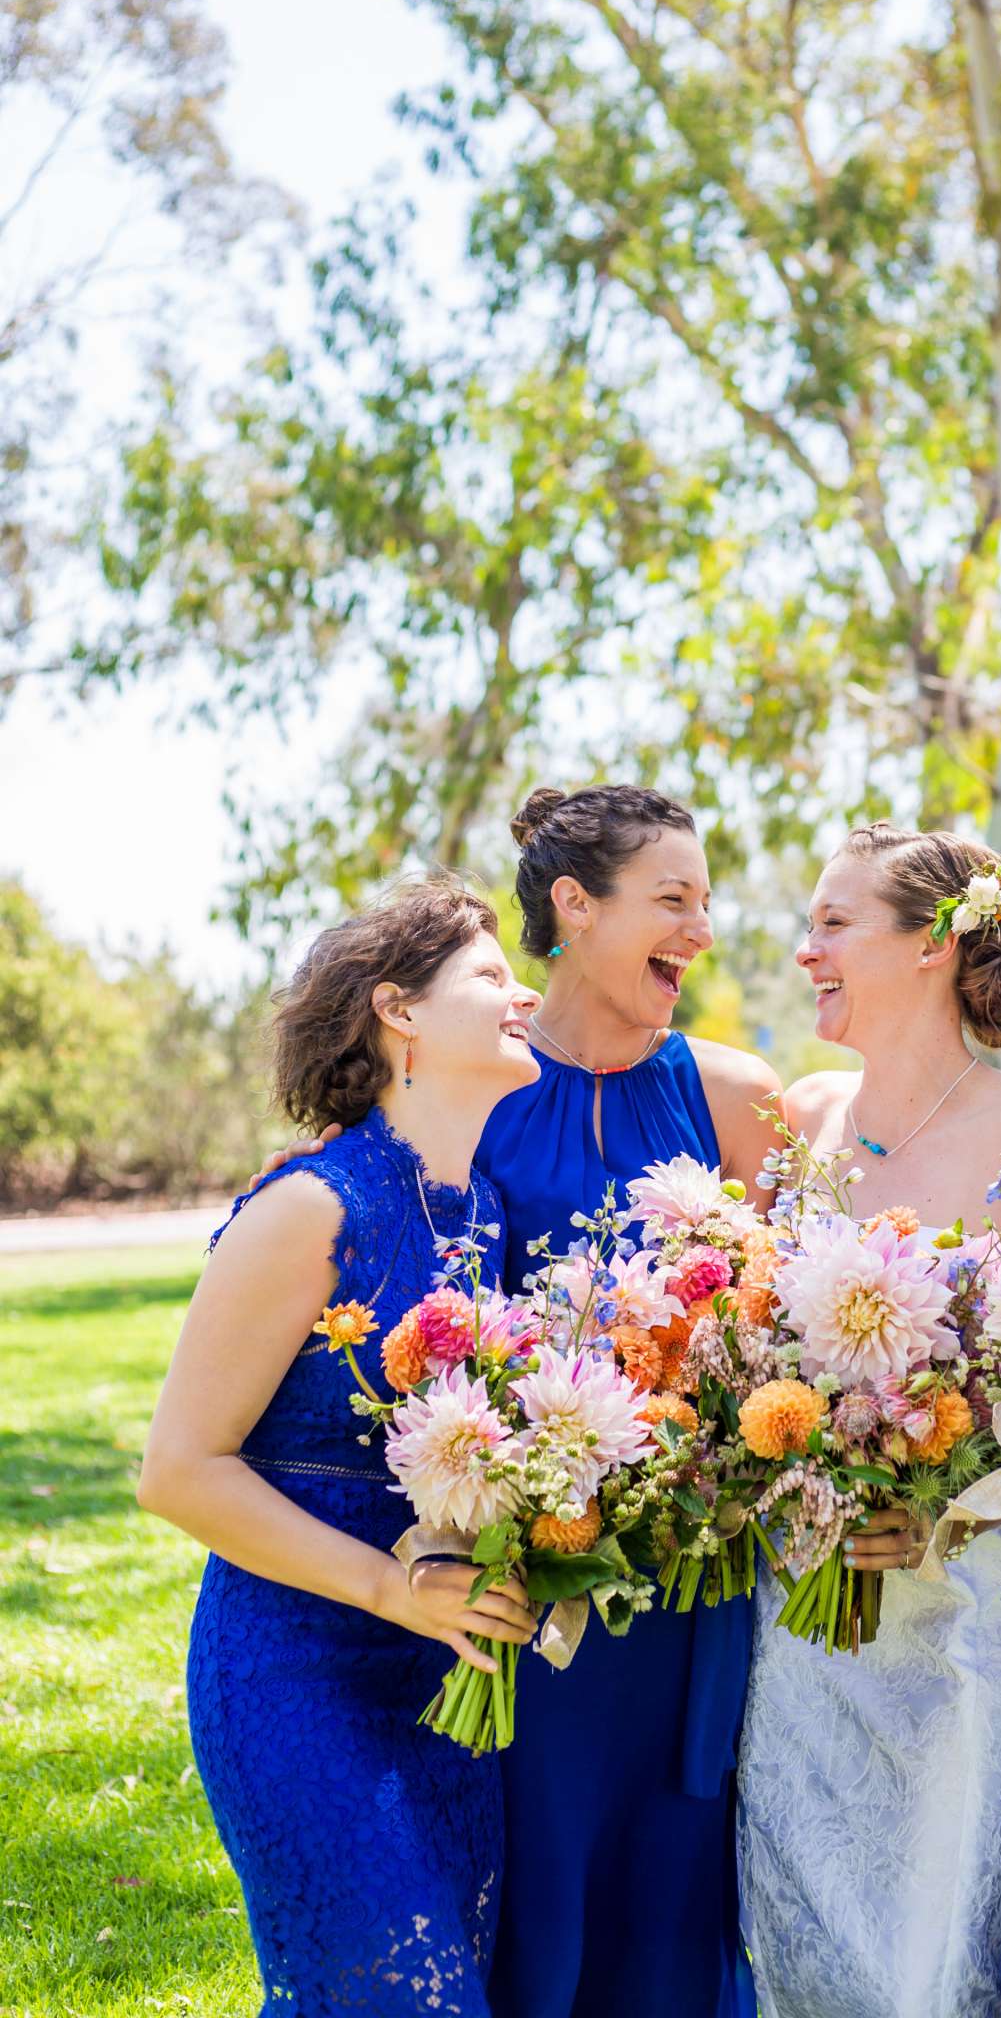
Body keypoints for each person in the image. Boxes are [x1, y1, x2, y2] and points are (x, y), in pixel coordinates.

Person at [252, 787, 783, 2018]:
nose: (700, 928)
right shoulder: (472, 1080)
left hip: (689, 1583)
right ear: (574, 906)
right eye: (673, 899)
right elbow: (379, 1248)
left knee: (675, 1900)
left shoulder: (735, 1094)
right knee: (526, 1902)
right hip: (512, 1577)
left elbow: (779, 1330)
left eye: (706, 901)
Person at [139, 878, 541, 2017]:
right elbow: (179, 1472)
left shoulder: (485, 1212)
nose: (523, 993)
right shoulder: (313, 1207)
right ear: (397, 1011)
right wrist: (385, 1585)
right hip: (298, 1672)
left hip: (442, 1673)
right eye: (489, 975)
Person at [738, 823, 1001, 2018]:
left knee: (940, 1954)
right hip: (804, 1623)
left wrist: (935, 1503)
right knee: (797, 1930)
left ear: (934, 947)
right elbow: (744, 1348)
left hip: (970, 1629)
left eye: (834, 924)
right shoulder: (797, 1119)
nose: (806, 951)